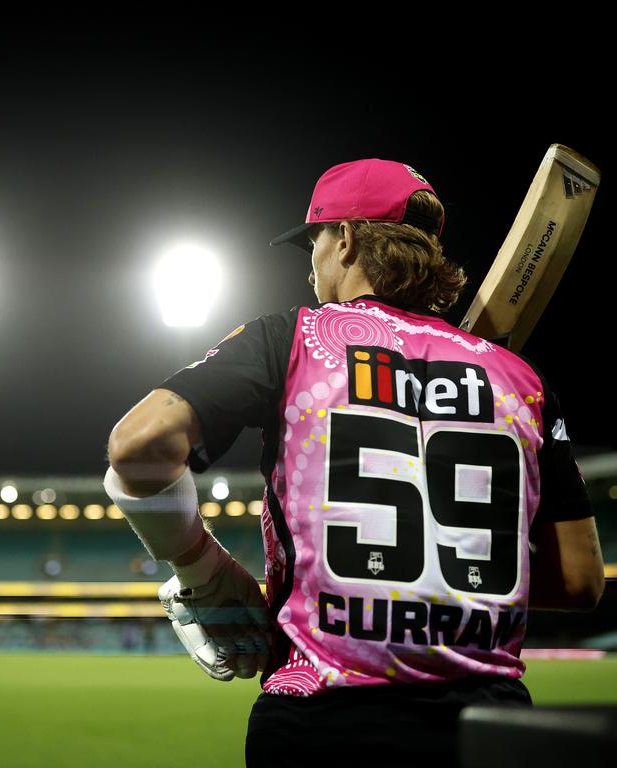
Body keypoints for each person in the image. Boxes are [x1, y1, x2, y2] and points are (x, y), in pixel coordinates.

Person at [102, 158, 605, 767]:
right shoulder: (518, 376)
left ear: (343, 240)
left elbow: (137, 445)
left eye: (311, 242)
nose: (310, 263)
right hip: (488, 729)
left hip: (322, 722)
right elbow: (579, 580)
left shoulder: (292, 339)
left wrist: (201, 567)